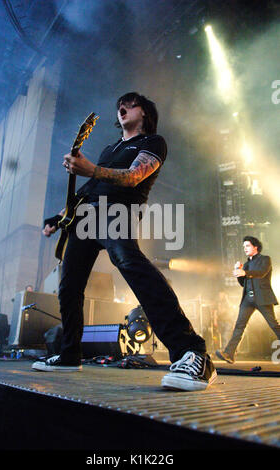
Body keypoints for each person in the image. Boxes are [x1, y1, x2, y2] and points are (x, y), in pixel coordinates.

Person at [32, 92, 217, 391]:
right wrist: (59, 216)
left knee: (129, 262)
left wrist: (90, 169)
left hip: (117, 214)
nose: (122, 107)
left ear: (144, 113)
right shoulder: (110, 148)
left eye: (130, 104)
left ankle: (191, 351)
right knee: (68, 285)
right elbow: (90, 188)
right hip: (85, 219)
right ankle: (69, 354)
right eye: (120, 104)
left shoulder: (152, 143)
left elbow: (134, 177)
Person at [216, 236, 280, 363]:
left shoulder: (265, 259)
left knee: (274, 325)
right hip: (247, 299)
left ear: (255, 246)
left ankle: (229, 353)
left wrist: (245, 273)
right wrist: (238, 271)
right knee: (239, 325)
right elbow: (242, 283)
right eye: (244, 246)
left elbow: (261, 273)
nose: (245, 248)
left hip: (262, 298)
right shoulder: (246, 264)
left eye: (248, 246)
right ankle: (229, 353)